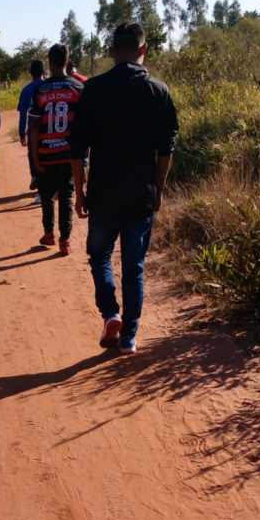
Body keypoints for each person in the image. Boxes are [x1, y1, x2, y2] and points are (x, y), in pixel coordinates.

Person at [71, 22, 178, 354]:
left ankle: (110, 314)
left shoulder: (95, 89)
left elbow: (77, 148)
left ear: (111, 50)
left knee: (100, 256)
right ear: (144, 49)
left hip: (104, 195)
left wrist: (80, 191)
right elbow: (166, 149)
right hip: (140, 196)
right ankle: (129, 337)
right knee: (134, 267)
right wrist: (158, 191)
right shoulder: (158, 91)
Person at [29, 43, 85, 256]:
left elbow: (34, 126)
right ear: (68, 62)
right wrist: (85, 157)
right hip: (70, 156)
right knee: (66, 196)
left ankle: (49, 233)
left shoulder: (40, 90)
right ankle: (66, 240)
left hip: (45, 154)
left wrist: (35, 156)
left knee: (47, 194)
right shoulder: (78, 89)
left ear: (50, 64)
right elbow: (84, 127)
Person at [17, 58, 47, 201]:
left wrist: (21, 133)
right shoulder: (48, 86)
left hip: (32, 133)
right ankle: (46, 188)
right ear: (44, 71)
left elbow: (23, 114)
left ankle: (38, 184)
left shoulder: (26, 90)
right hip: (49, 132)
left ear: (30, 73)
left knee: (33, 157)